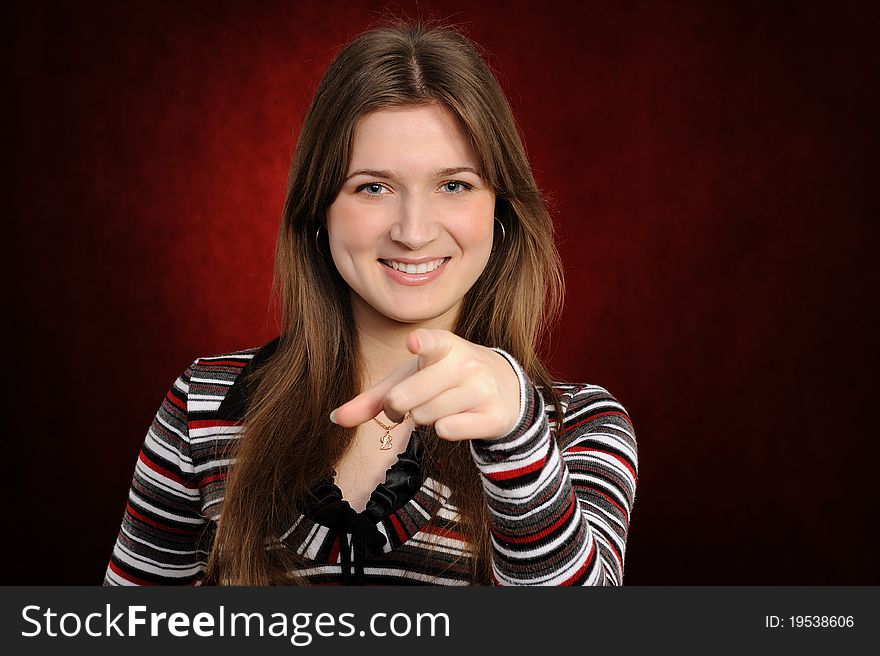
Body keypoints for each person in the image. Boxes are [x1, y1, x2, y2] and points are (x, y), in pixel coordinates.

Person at [103, 21, 638, 586]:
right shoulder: (203, 408)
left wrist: (516, 437)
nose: (412, 232)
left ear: (500, 215)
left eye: (453, 185)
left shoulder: (580, 429)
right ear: (319, 214)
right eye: (372, 187)